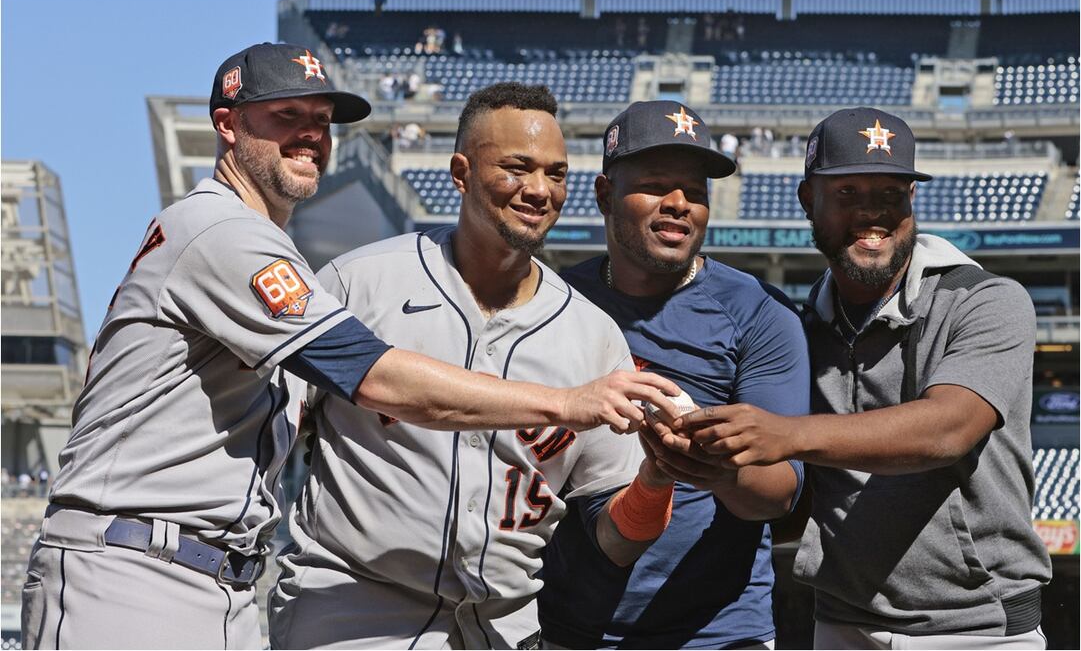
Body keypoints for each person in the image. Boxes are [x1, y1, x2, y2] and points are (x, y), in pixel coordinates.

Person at [20, 46, 676, 650]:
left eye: (322, 119)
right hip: (134, 568)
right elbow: (372, 376)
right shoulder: (219, 231)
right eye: (285, 116)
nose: (310, 134)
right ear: (227, 125)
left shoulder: (260, 246)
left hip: (212, 579)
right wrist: (566, 402)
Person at [269, 83, 680, 650]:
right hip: (351, 616)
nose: (539, 190)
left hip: (503, 628)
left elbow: (615, 540)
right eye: (516, 167)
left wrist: (657, 481)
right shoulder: (359, 284)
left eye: (556, 174)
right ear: (461, 172)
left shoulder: (592, 336)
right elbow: (268, 437)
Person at [666, 107, 1053, 648]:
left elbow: (948, 429)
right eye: (848, 193)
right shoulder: (802, 327)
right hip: (842, 625)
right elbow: (790, 497)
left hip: (980, 630)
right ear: (808, 200)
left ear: (912, 202)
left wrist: (785, 434)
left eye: (891, 195)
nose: (872, 213)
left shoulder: (988, 299)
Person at [538, 101, 809, 648]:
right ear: (604, 194)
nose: (680, 205)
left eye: (696, 191)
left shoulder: (759, 313)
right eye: (657, 184)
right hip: (566, 625)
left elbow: (780, 493)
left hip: (716, 631)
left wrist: (709, 466)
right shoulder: (552, 301)